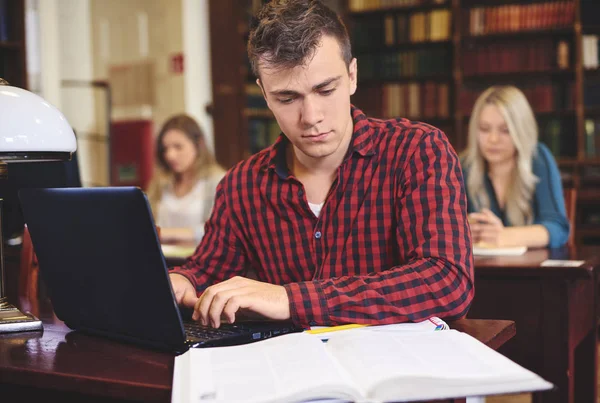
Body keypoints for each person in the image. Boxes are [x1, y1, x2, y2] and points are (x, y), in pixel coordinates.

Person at [169, 0, 474, 328]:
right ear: (264, 94)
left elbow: (447, 281)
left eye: (325, 89)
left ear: (352, 76)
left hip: (396, 370)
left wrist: (289, 299)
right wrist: (181, 282)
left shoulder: (417, 151)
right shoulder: (241, 185)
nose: (311, 118)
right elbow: (204, 272)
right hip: (289, 373)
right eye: (287, 99)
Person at [461, 85, 570, 249]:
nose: (493, 139)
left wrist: (504, 236)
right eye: (484, 129)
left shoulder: (538, 158)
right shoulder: (464, 166)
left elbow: (558, 228)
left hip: (532, 270)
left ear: (521, 131)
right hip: (480, 271)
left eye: (505, 130)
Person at [147, 114, 225, 244]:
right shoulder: (160, 182)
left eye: (178, 147)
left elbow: (219, 230)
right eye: (165, 149)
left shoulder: (218, 181)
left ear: (198, 145)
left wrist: (163, 233)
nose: (170, 155)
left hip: (201, 261)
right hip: (163, 261)